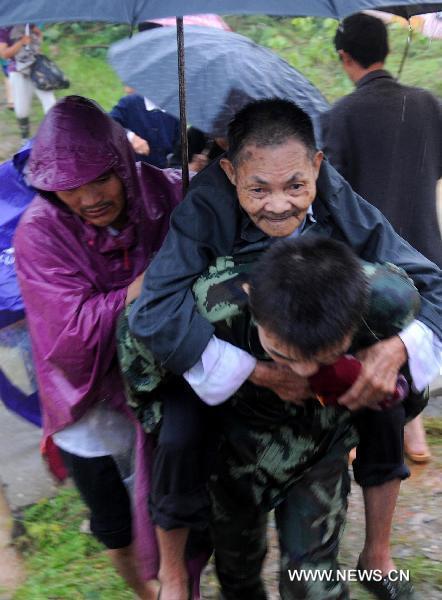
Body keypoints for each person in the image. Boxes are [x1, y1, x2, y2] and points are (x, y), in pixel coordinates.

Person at [129, 99, 442, 599]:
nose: (279, 204)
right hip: (231, 425)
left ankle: (375, 559)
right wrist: (257, 371)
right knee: (238, 571)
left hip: (320, 423)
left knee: (312, 573)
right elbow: (149, 314)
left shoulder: (335, 196)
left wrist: (397, 348)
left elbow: (431, 284)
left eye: (296, 185)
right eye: (258, 189)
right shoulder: (205, 209)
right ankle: (179, 574)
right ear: (230, 172)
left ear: (318, 164)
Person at [13, 95, 183, 599]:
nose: (88, 198)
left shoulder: (168, 194)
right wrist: (142, 287)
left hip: (165, 387)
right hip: (84, 400)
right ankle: (145, 592)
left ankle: (176, 578)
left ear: (124, 166)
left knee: (175, 504)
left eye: (100, 180)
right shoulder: (38, 234)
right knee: (112, 519)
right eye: (69, 188)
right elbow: (69, 335)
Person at [322, 12, 442, 462]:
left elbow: (332, 190)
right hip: (427, 249)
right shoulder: (428, 103)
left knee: (378, 341)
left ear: (344, 57)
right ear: (388, 51)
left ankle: (371, 431)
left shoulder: (340, 114)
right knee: (418, 335)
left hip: (374, 259)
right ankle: (415, 436)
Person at [0, 24, 56, 139]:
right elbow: (5, 54)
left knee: (50, 102)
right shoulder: (3, 30)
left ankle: (54, 135)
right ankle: (25, 138)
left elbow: (39, 34)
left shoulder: (28, 24)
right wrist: (21, 42)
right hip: (18, 72)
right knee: (22, 110)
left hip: (38, 68)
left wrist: (36, 42)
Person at [109, 89, 180, 168]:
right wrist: (131, 137)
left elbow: (178, 146)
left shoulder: (175, 110)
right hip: (132, 169)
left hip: (164, 173)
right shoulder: (130, 102)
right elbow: (108, 123)